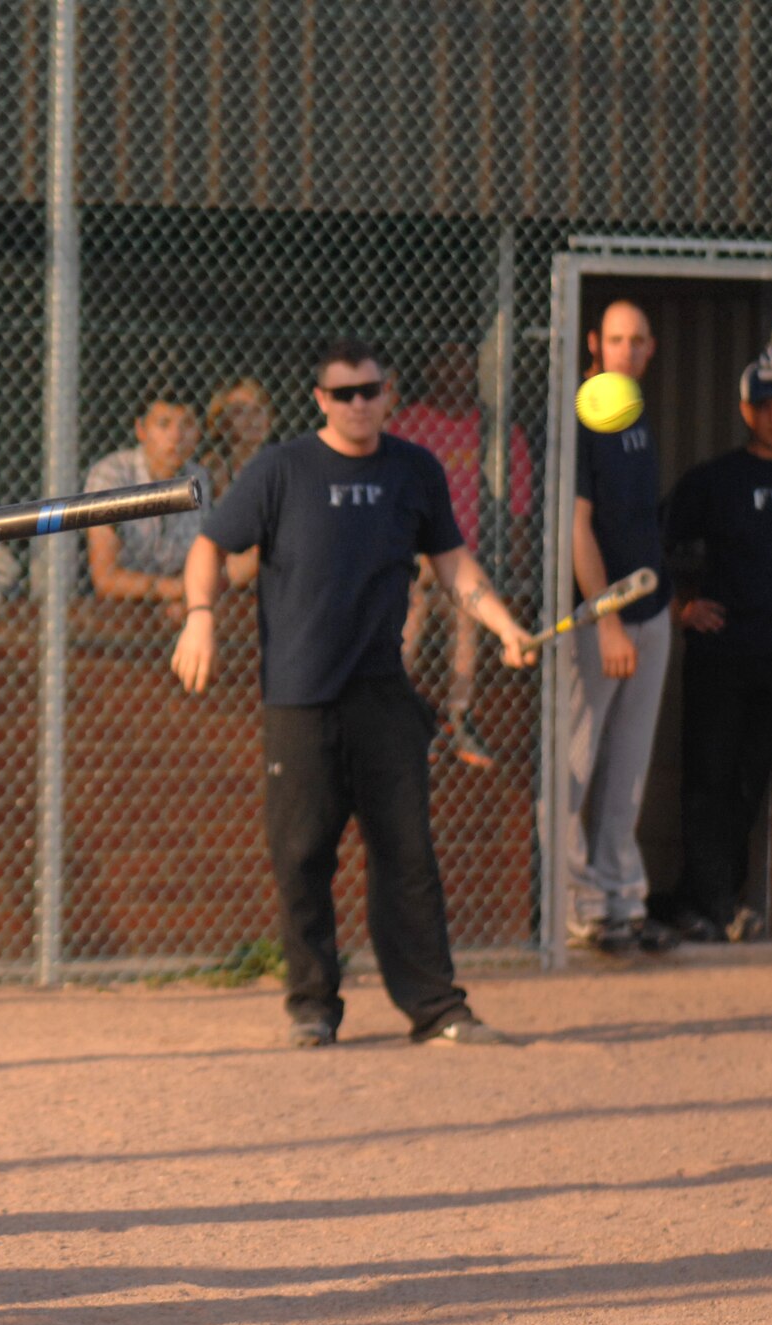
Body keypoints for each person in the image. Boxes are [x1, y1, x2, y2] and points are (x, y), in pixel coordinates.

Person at [171, 340, 534, 1048]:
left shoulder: (414, 470)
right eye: (342, 394)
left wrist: (503, 625)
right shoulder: (281, 469)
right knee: (301, 851)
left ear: (389, 392)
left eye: (369, 390)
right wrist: (200, 616)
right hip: (300, 696)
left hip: (382, 694)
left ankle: (435, 1007)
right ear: (319, 400)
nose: (357, 404)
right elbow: (210, 545)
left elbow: (453, 563)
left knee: (407, 851)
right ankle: (313, 1004)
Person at [664, 343, 772, 944]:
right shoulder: (713, 481)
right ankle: (709, 904)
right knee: (708, 776)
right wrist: (680, 611)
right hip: (722, 657)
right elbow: (651, 543)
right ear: (745, 411)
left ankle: (718, 899)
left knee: (749, 779)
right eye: (763, 406)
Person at [566, 301, 677, 954]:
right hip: (600, 619)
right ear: (594, 343)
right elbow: (580, 525)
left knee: (630, 765)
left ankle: (622, 900)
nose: (627, 351)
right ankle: (578, 910)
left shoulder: (632, 410)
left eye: (638, 340)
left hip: (652, 609)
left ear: (652, 347)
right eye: (616, 340)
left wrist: (650, 609)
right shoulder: (584, 412)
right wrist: (605, 619)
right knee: (576, 764)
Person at [391, 342, 535, 769]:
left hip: (466, 562)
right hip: (414, 558)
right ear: (429, 367)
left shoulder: (499, 431)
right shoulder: (405, 426)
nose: (454, 370)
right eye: (444, 359)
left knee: (466, 607)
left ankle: (458, 717)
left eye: (463, 361)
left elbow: (518, 514)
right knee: (414, 605)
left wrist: (517, 573)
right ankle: (393, 713)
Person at [84, 385, 209, 607]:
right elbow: (105, 578)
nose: (177, 436)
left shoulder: (199, 479)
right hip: (105, 607)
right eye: (164, 424)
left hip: (174, 602)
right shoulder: (113, 474)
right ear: (141, 430)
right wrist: (175, 589)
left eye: (187, 424)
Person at [203, 376, 273, 497]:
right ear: (221, 422)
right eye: (239, 411)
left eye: (257, 410)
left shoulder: (278, 463)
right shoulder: (211, 468)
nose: (252, 419)